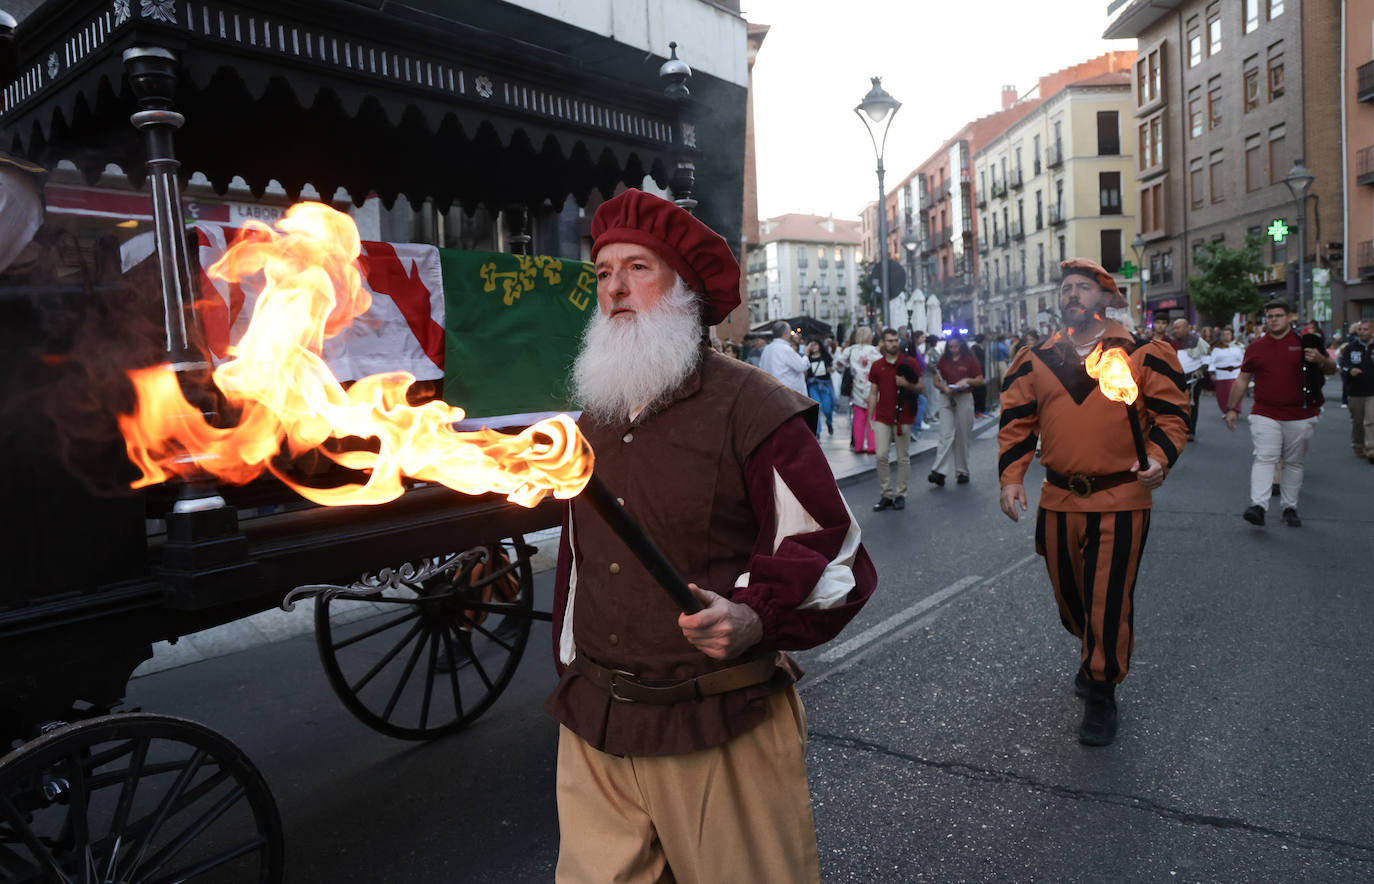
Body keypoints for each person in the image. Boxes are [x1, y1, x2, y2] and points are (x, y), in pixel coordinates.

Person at [549, 189, 877, 883]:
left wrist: (756, 617)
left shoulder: (753, 408)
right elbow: (580, 564)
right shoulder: (594, 420)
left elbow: (832, 553)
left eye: (637, 267)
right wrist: (573, 659)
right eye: (604, 272)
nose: (614, 288)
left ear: (686, 290)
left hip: (717, 727)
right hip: (597, 729)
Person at [998, 258, 1189, 747]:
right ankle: (1094, 648)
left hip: (1122, 498)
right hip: (1059, 498)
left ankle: (1101, 690)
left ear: (1106, 299)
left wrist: (1158, 459)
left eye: (1084, 287)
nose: (1073, 295)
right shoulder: (1035, 357)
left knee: (1107, 599)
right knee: (1071, 601)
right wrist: (1011, 478)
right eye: (1066, 289)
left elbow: (1172, 418)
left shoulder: (1144, 352)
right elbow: (1018, 422)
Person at [1224, 300, 1338, 527]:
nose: (1273, 319)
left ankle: (1289, 507)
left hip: (1301, 414)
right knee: (1265, 457)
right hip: (1265, 412)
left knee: (1294, 463)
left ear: (1289, 318)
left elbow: (1331, 368)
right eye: (1269, 316)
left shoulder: (1305, 342)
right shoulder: (1256, 347)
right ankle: (1258, 506)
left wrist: (1321, 359)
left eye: (1278, 315)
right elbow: (1242, 379)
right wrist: (1231, 409)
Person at [867, 327, 923, 511]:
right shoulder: (877, 365)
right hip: (883, 416)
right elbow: (874, 392)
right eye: (889, 340)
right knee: (881, 455)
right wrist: (870, 416)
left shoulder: (910, 362)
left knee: (902, 457)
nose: (893, 343)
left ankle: (900, 494)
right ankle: (886, 494)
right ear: (883, 342)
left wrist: (906, 384)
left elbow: (921, 387)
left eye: (895, 340)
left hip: (904, 415)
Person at [928, 334, 984, 486]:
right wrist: (943, 388)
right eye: (950, 347)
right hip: (947, 396)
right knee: (945, 435)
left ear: (961, 345)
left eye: (956, 346)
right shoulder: (943, 360)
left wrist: (966, 381)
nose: (953, 349)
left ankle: (962, 471)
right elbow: (936, 378)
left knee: (962, 436)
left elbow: (980, 379)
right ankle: (939, 471)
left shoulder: (969, 360)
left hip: (963, 396)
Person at [835, 326, 880, 453]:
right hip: (871, 387)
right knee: (872, 417)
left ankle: (858, 446)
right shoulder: (873, 351)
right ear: (869, 336)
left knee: (858, 418)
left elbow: (838, 364)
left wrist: (850, 368)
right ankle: (872, 446)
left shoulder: (850, 350)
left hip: (856, 388)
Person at [1338, 319, 1374, 462]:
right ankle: (1358, 445)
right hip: (1355, 391)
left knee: (1371, 420)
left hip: (1372, 391)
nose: (1362, 332)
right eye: (1360, 329)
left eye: (1365, 329)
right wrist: (1350, 369)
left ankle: (1371, 449)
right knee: (1358, 421)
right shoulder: (1350, 347)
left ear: (1372, 331)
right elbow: (1343, 363)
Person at [1169, 318, 1210, 440]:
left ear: (1187, 328)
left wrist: (1199, 371)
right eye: (1175, 328)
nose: (1176, 330)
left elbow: (1207, 361)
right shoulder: (1172, 342)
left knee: (1192, 405)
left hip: (1194, 378)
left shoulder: (1198, 342)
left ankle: (1190, 431)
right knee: (1176, 405)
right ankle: (1178, 429)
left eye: (1179, 327)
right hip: (1177, 377)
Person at [759, 319, 808, 395]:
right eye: (790, 332)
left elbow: (761, 368)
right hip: (788, 394)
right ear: (786, 333)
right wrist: (806, 354)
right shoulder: (786, 349)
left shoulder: (767, 349)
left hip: (773, 392)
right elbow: (801, 366)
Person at [1210, 326, 1244, 417]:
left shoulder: (1239, 347)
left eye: (1228, 334)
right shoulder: (1216, 348)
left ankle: (1235, 410)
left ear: (1232, 335)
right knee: (1222, 394)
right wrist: (1212, 373)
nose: (1226, 336)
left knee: (1235, 392)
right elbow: (1212, 362)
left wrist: (1244, 374)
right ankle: (1225, 411)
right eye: (1224, 334)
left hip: (1235, 373)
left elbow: (1243, 361)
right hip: (1221, 374)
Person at [804, 338, 834, 438]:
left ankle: (829, 422)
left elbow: (832, 367)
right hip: (813, 385)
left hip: (825, 385)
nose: (814, 347)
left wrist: (830, 369)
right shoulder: (807, 358)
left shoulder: (826, 357)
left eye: (816, 344)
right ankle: (817, 431)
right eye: (812, 345)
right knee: (816, 407)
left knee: (828, 409)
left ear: (820, 345)